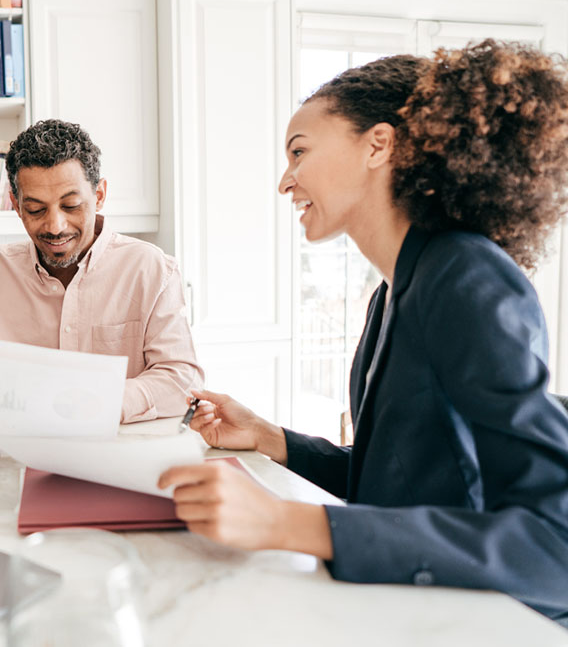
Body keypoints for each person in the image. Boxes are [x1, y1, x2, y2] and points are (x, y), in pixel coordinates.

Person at [159, 40, 568, 626]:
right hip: (413, 606)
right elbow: (396, 485)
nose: (285, 180)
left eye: (299, 152)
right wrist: (272, 439)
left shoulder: (464, 275)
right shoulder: (396, 290)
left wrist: (282, 521)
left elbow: (555, 543)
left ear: (379, 144)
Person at [0, 119, 204, 466]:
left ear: (99, 195)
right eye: (36, 209)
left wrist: (99, 402)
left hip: (123, 463)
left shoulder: (153, 270)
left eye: (71, 206)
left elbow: (180, 379)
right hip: (9, 463)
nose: (55, 226)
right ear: (15, 203)